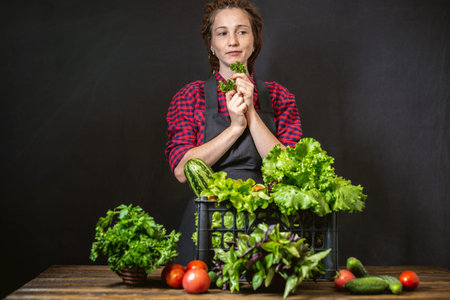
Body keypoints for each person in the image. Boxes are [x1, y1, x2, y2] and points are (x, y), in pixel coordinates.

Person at [165, 0, 302, 264]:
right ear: (212, 46)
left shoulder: (279, 96)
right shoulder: (189, 97)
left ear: (254, 41)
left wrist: (250, 114)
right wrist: (235, 127)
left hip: (267, 228)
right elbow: (183, 171)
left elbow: (290, 171)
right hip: (205, 225)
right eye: (222, 33)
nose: (233, 41)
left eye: (242, 31)